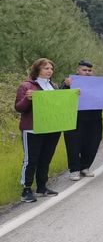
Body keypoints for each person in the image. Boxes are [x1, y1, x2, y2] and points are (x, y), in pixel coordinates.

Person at [15, 58, 62, 202]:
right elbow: (19, 108)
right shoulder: (26, 86)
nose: (49, 71)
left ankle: (42, 186)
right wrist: (27, 99)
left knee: (45, 158)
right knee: (31, 159)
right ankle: (26, 190)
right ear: (37, 70)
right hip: (32, 129)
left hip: (52, 127)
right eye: (46, 68)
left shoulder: (53, 86)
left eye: (51, 68)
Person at [62, 60, 102, 181]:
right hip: (75, 119)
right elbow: (60, 97)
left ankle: (85, 167)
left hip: (94, 118)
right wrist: (66, 86)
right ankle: (74, 169)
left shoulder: (97, 83)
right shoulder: (69, 82)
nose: (87, 72)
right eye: (84, 70)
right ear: (77, 70)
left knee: (93, 143)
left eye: (89, 70)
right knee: (73, 144)